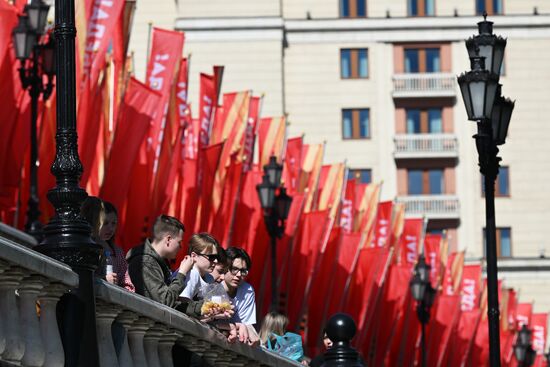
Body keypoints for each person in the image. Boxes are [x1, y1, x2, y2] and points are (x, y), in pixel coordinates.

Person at [126, 215, 194, 309]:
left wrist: (199, 309)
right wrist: (182, 274)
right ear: (168, 239)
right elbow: (165, 301)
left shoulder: (160, 262)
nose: (181, 247)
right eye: (179, 242)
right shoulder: (145, 262)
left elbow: (173, 303)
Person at [222, 247, 258, 344]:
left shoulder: (247, 290)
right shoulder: (213, 284)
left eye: (243, 271)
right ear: (225, 267)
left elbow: (247, 324)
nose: (238, 275)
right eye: (234, 269)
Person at [179, 233, 220, 300]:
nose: (216, 261)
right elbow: (182, 303)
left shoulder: (209, 277)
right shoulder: (192, 273)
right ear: (194, 256)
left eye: (216, 257)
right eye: (211, 257)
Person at [98, 201, 129, 287]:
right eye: (105, 223)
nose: (110, 228)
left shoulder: (117, 252)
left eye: (113, 223)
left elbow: (127, 281)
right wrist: (104, 280)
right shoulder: (90, 248)